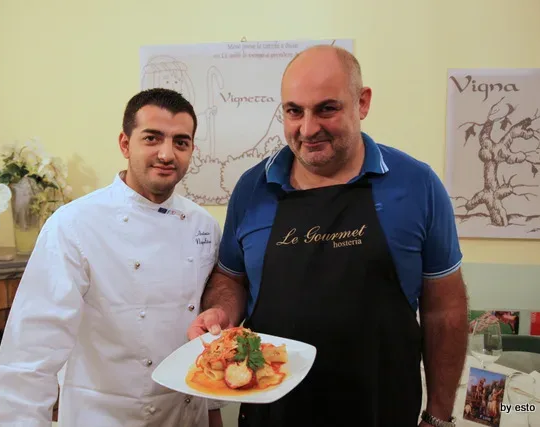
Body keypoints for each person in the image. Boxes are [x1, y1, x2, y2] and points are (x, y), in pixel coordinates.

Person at [188, 45, 469, 427]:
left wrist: (438, 416)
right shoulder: (253, 188)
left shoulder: (416, 185)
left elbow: (445, 309)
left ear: (362, 102)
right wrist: (222, 311)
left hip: (383, 411)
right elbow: (231, 278)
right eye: (294, 111)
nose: (307, 129)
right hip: (272, 414)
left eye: (326, 109)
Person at [0, 88, 225, 427]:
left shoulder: (203, 225)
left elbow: (206, 334)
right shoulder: (74, 225)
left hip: (186, 415)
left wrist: (213, 410)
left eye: (180, 142)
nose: (166, 154)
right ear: (125, 144)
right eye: (152, 138)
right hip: (106, 417)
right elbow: (30, 354)